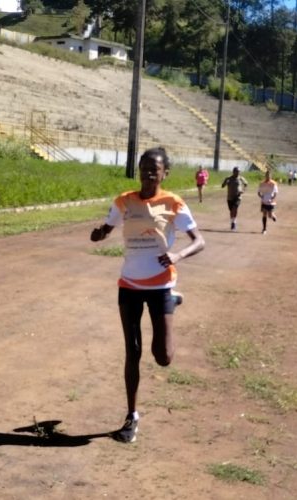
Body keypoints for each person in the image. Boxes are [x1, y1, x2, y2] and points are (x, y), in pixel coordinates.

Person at [90, 147, 205, 444]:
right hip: (129, 284)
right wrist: (100, 233)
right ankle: (132, 416)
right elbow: (107, 227)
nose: (148, 173)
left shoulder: (173, 203)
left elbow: (199, 240)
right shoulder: (124, 201)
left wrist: (178, 254)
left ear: (165, 173)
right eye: (144, 168)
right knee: (133, 351)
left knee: (163, 357)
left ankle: (172, 304)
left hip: (161, 285)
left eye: (154, 169)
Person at [257, 170, 279, 234]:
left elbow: (275, 193)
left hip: (271, 202)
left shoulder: (273, 184)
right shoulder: (262, 183)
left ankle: (273, 216)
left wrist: (272, 198)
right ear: (265, 176)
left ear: (271, 176)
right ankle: (264, 229)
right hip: (264, 202)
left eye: (269, 175)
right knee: (264, 214)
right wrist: (261, 197)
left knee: (270, 215)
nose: (268, 176)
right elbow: (259, 192)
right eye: (267, 175)